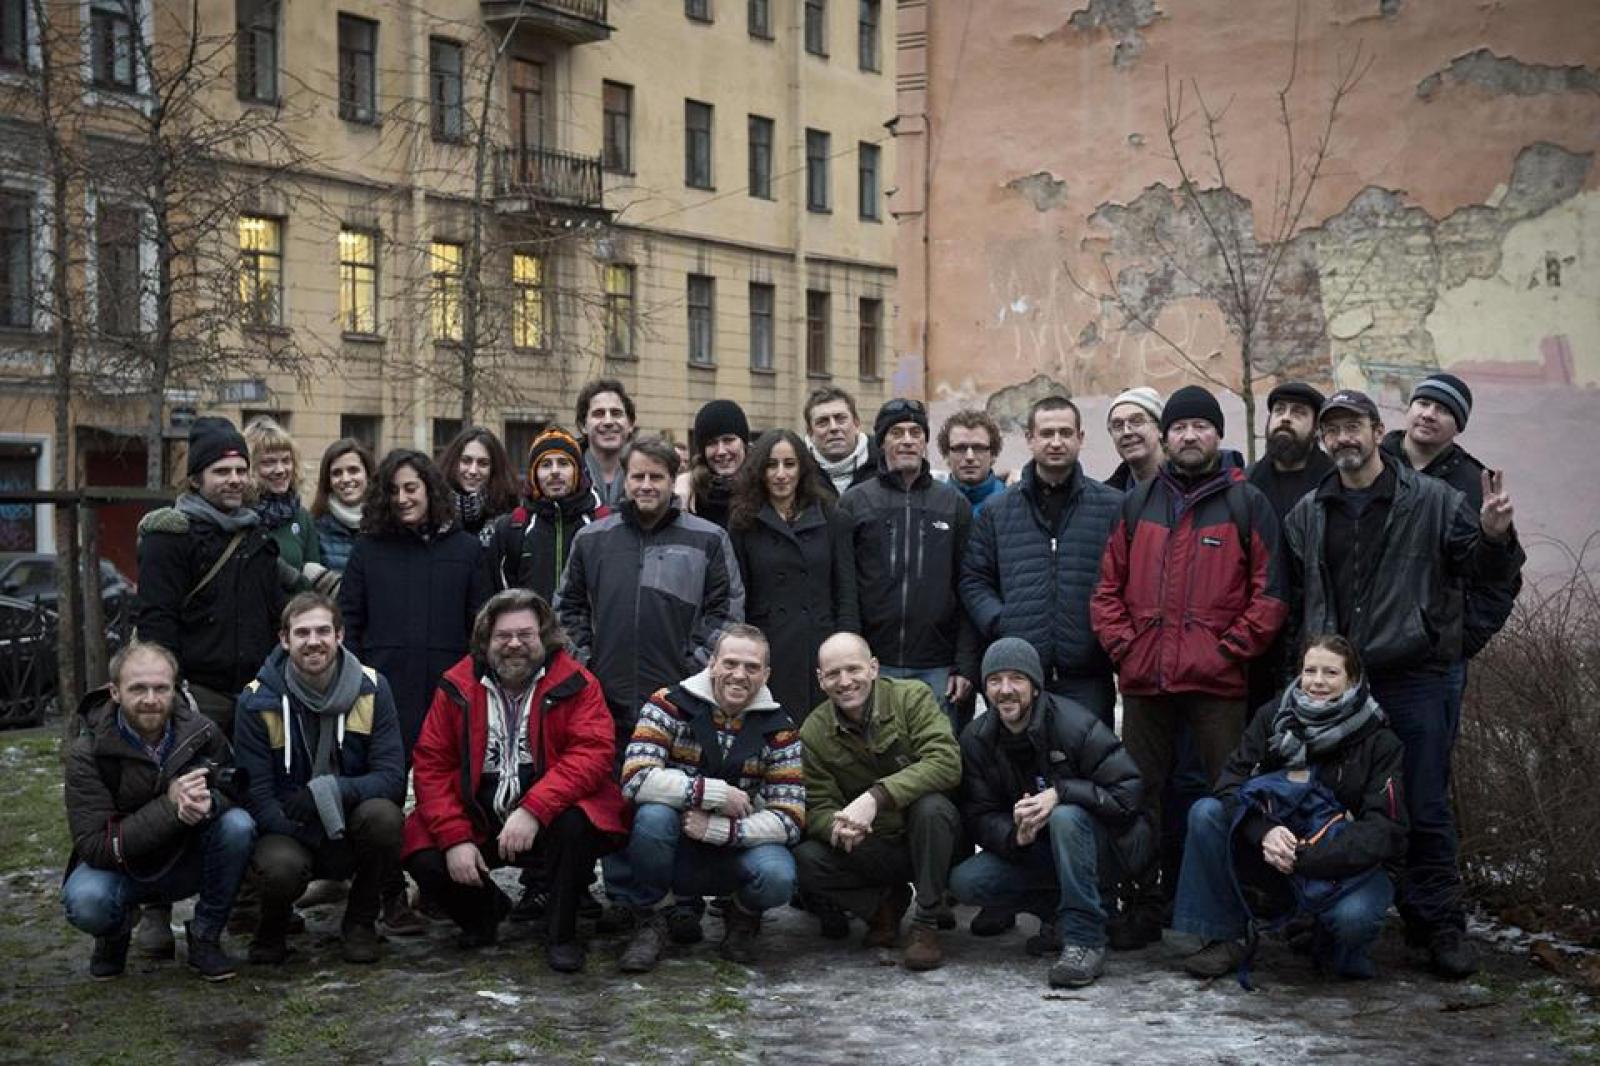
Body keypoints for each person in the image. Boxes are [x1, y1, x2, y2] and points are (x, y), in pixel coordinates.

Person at [1282, 389, 1522, 979]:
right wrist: (1306, 665)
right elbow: (1296, 600)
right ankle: (1324, 915)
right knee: (1330, 801)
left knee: (1424, 803)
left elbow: (1487, 572)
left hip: (1415, 677)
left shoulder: (1436, 501)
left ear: (1376, 429)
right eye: (1332, 430)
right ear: (1324, 441)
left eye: (1353, 426)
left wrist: (1494, 536)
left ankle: (1436, 926)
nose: (1343, 438)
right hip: (1339, 686)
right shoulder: (1308, 513)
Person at [1091, 384, 1288, 947]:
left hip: (1217, 683)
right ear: (1166, 436)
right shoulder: (1139, 501)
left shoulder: (1246, 502)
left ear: (1217, 435)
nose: (1189, 435)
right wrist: (1126, 648)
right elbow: (1106, 590)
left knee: (1229, 796)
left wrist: (1226, 651)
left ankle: (1226, 915)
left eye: (1200, 426)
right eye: (1179, 427)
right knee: (1138, 796)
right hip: (1146, 680)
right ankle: (1144, 904)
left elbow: (1270, 596)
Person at [403, 590, 627, 971]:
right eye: (503, 636)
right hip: (479, 815)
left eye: (526, 635)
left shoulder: (579, 683)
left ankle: (561, 933)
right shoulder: (455, 686)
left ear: (544, 636)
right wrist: (455, 836)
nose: (514, 645)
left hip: (550, 814)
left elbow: (592, 754)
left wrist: (535, 809)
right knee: (422, 848)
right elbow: (431, 764)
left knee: (576, 825)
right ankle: (483, 914)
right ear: (485, 640)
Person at [1174, 636, 1407, 982]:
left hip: (1347, 864)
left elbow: (1385, 830)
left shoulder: (1380, 741)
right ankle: (1226, 937)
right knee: (1206, 813)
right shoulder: (1273, 718)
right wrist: (1263, 830)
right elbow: (1229, 784)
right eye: (1309, 670)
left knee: (1352, 921)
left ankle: (1333, 943)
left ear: (1353, 680)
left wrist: (1306, 855)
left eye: (1331, 672)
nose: (1317, 681)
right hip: (1275, 850)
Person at [338, 448, 490, 932]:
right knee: (383, 795)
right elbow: (351, 623)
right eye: (394, 490)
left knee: (445, 790)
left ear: (429, 490)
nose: (404, 498)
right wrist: (362, 682)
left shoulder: (466, 550)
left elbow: (480, 626)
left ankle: (437, 886)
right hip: (381, 695)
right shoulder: (368, 550)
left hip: (449, 696)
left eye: (412, 488)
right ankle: (388, 894)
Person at [949, 638, 1152, 988]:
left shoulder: (1074, 724)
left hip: (1112, 847)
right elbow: (979, 814)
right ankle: (1063, 914)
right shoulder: (977, 738)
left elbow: (1129, 795)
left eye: (1017, 679)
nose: (1006, 690)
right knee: (967, 881)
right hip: (1043, 850)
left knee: (1066, 817)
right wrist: (1015, 835)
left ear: (1035, 685)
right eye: (995, 681)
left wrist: (1060, 793)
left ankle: (1085, 940)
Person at [608, 625, 804, 972]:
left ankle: (742, 915)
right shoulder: (668, 703)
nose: (739, 675)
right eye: (730, 663)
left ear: (766, 674)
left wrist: (719, 829)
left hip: (737, 846)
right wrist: (711, 793)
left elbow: (789, 818)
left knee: (778, 875)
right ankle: (653, 916)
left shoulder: (781, 728)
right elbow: (635, 778)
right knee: (652, 816)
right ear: (712, 663)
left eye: (752, 667)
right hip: (674, 841)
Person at [62, 641, 256, 982]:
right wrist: (171, 808)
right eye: (138, 688)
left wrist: (211, 804)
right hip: (120, 868)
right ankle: (113, 935)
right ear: (115, 692)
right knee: (86, 900)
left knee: (238, 826)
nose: (151, 699)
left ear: (175, 688)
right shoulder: (86, 753)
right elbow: (94, 846)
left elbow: (236, 791)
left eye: (161, 688)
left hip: (185, 858)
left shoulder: (201, 731)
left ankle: (206, 937)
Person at [233, 593, 406, 965]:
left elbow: (392, 778)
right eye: (302, 632)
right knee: (280, 866)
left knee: (385, 818)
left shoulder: (373, 688)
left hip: (350, 819)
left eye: (323, 631)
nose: (314, 641)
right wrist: (312, 835)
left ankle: (360, 922)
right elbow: (256, 797)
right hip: (287, 826)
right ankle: (274, 925)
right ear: (284, 640)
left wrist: (327, 792)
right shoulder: (255, 700)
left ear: (340, 635)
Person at [555, 436, 744, 758]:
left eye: (656, 477)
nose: (646, 485)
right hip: (603, 704)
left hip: (681, 703)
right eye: (637, 476)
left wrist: (690, 670)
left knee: (660, 804)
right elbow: (566, 609)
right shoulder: (592, 539)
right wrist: (589, 667)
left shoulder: (708, 539)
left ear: (673, 480)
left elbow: (726, 615)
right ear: (625, 479)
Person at [794, 633, 963, 971]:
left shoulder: (911, 697)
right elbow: (818, 804)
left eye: (853, 669)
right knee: (806, 857)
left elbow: (946, 762)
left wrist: (875, 797)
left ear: (873, 668)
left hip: (932, 840)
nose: (845, 682)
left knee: (932, 807)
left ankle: (926, 922)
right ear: (820, 679)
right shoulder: (814, 730)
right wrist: (839, 827)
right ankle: (881, 908)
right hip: (874, 845)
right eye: (833, 674)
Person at [961, 395, 1121, 725]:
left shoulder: (1112, 507)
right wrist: (1002, 621)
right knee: (1019, 770)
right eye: (1047, 433)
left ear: (1081, 438)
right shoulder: (997, 511)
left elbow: (1129, 580)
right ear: (1030, 439)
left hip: (1088, 674)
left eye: (1065, 432)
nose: (1056, 442)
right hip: (1018, 676)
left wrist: (1105, 634)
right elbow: (974, 580)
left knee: (1090, 768)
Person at [135, 415, 286, 734]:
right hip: (195, 700)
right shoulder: (171, 536)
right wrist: (171, 690)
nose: (235, 479)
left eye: (241, 470)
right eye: (221, 471)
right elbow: (157, 620)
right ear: (195, 479)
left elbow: (275, 616)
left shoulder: (257, 536)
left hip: (257, 698)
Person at [834, 398, 978, 725]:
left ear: (926, 442)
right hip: (873, 663)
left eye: (916, 432)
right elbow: (845, 589)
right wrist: (851, 659)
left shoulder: (953, 505)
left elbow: (968, 588)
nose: (907, 439)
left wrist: (964, 664)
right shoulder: (856, 502)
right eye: (896, 432)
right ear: (881, 441)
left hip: (938, 666)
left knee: (938, 763)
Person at [1378, 373, 1521, 663]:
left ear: (1459, 426)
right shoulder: (1372, 465)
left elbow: (1502, 581)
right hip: (1359, 647)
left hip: (1434, 664)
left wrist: (1458, 641)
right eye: (1423, 403)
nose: (1429, 414)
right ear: (1409, 409)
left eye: (1443, 410)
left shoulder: (1475, 485)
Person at [728, 429, 836, 722]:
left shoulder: (829, 514)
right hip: (770, 644)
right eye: (771, 465)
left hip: (819, 643)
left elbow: (844, 588)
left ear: (802, 469)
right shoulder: (743, 521)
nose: (780, 474)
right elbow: (739, 593)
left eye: (789, 464)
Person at [1245, 381, 1333, 713]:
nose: (1285, 419)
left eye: (1298, 413)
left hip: (1317, 635)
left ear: (1315, 429)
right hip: (1257, 640)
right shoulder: (1247, 483)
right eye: (1279, 411)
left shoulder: (1332, 482)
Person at [486, 427, 609, 601]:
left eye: (563, 463)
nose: (554, 471)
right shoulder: (511, 528)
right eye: (545, 465)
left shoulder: (603, 523)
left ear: (578, 472)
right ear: (534, 475)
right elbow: (498, 595)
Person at [243, 416, 322, 575]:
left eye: (286, 460)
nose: (280, 470)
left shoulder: (302, 517)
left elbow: (312, 581)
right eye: (269, 462)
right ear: (250, 467)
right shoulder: (238, 514)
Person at [675, 399, 751, 529]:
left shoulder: (765, 488)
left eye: (728, 440)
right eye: (712, 443)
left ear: (743, 443)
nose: (721, 451)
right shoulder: (690, 498)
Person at [439, 426, 519, 547]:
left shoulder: (508, 519)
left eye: (483, 463)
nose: (473, 471)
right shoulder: (436, 513)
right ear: (453, 462)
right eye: (466, 461)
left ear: (494, 469)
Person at [310, 438, 376, 574]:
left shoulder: (386, 524)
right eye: (337, 473)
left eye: (353, 470)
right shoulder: (315, 528)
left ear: (368, 474)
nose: (345, 479)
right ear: (328, 481)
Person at [804, 385, 879, 497]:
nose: (833, 428)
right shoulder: (797, 471)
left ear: (856, 424)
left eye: (840, 419)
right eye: (822, 422)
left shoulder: (886, 464)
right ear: (810, 432)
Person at [575, 378, 638, 508]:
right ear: (583, 426)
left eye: (616, 413)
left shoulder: (648, 475)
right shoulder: (566, 474)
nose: (608, 421)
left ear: (630, 424)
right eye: (599, 414)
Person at [936, 409, 1006, 516]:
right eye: (960, 448)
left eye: (978, 448)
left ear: (993, 454)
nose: (970, 457)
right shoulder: (931, 503)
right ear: (946, 455)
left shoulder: (1013, 502)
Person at [1102, 387, 1164, 490]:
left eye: (1137, 421)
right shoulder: (1107, 498)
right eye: (1118, 425)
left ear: (1160, 428)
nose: (1127, 432)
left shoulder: (1189, 487)